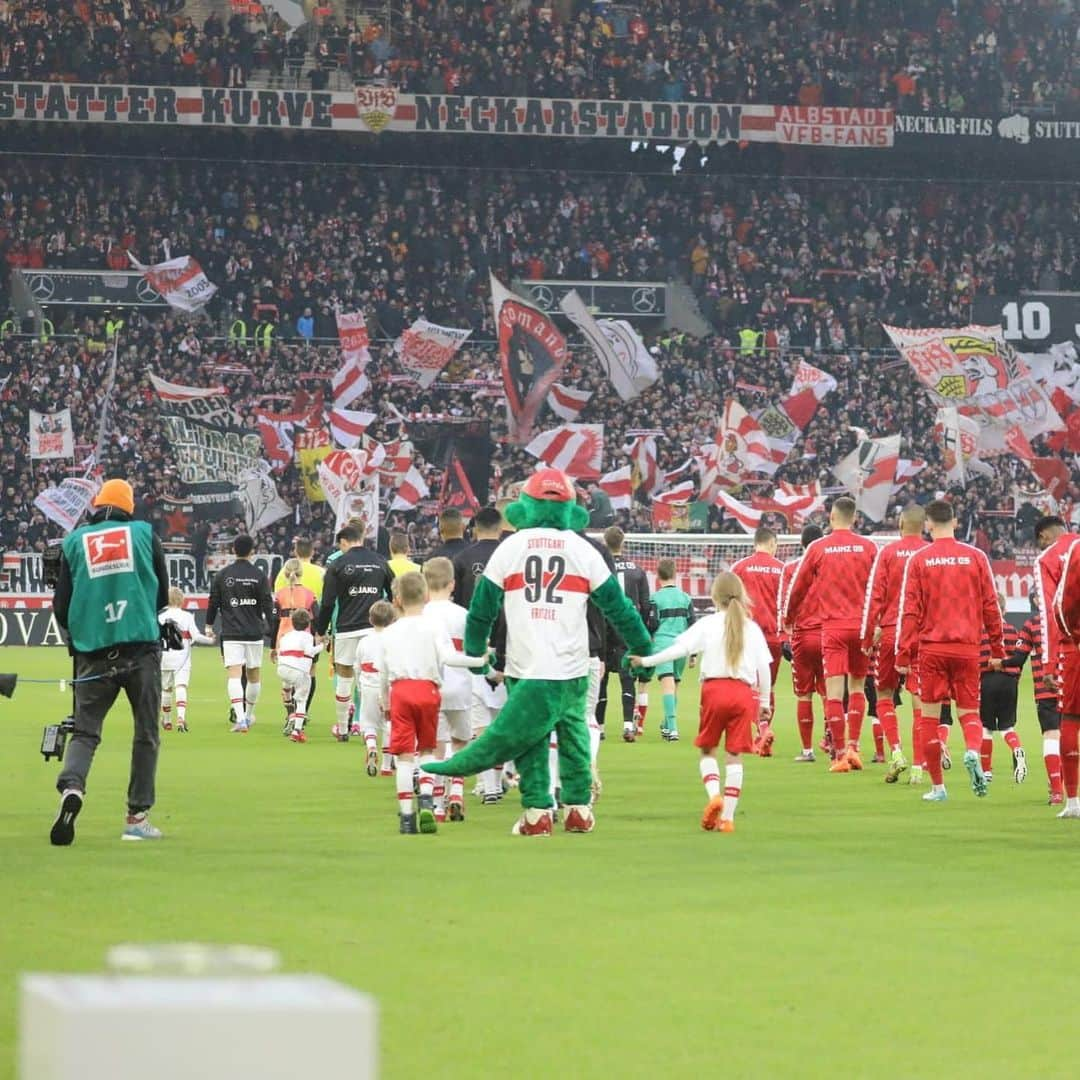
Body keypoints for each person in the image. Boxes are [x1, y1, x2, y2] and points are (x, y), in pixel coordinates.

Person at [424, 469, 652, 837]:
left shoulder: (510, 547)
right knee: (574, 729)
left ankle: (537, 810)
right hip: (573, 662)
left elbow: (483, 608)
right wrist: (640, 647)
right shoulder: (584, 549)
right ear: (570, 509)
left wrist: (477, 651)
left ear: (524, 506)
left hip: (525, 662)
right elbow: (620, 609)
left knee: (528, 737)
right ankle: (578, 806)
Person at [49, 478, 170, 845]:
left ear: (98, 504)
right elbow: (162, 594)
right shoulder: (144, 534)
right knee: (146, 734)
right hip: (140, 651)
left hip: (93, 654)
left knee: (85, 733)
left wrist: (82, 641)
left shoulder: (73, 542)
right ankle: (137, 816)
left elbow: (61, 606)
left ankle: (73, 787)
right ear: (128, 507)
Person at [630, 572, 771, 834]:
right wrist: (764, 702)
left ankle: (714, 796)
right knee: (735, 756)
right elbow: (765, 667)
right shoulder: (751, 627)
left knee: (708, 751)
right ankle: (728, 818)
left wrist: (646, 661)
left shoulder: (709, 624)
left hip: (714, 691)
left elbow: (678, 650)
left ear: (715, 596)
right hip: (742, 694)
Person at [896, 499, 1004, 802]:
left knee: (929, 718)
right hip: (968, 649)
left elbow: (911, 612)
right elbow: (990, 606)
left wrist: (904, 654)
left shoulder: (919, 560)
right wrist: (996, 647)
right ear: (955, 521)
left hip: (932, 649)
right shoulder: (976, 557)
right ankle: (971, 751)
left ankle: (938, 788)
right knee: (969, 713)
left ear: (928, 524)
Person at [377, 572, 483, 834]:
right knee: (427, 749)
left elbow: (382, 670)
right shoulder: (434, 627)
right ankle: (426, 797)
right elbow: (449, 658)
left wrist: (384, 700)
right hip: (428, 690)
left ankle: (405, 817)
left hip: (400, 691)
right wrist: (480, 661)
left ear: (397, 599)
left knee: (403, 755)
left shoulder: (390, 632)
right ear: (425, 596)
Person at [783, 496, 878, 772]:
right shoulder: (869, 547)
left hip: (833, 628)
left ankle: (838, 756)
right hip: (861, 628)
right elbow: (880, 589)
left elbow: (799, 587)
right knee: (858, 687)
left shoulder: (818, 547)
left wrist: (789, 617)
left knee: (834, 693)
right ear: (855, 518)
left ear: (831, 518)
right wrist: (878, 624)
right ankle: (854, 747)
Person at [859, 503, 928, 783]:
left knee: (884, 695)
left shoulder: (887, 553)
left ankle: (897, 752)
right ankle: (919, 767)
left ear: (901, 524)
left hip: (889, 633)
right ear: (924, 526)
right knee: (920, 702)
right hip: (922, 636)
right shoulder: (929, 553)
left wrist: (867, 636)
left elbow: (874, 596)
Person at [315, 522, 394, 741]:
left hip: (347, 628)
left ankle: (342, 729)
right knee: (373, 677)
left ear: (344, 542)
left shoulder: (338, 564)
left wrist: (320, 630)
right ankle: (371, 727)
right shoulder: (380, 562)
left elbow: (328, 602)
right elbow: (394, 593)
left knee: (345, 677)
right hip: (375, 630)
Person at [453, 506, 509, 803]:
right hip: (510, 648)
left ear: (473, 528)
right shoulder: (512, 555)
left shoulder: (461, 559)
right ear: (501, 527)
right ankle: (500, 778)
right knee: (503, 718)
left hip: (475, 647)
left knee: (480, 719)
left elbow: (459, 608)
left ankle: (489, 785)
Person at [206, 534, 274, 733]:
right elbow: (267, 605)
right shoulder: (259, 575)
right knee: (254, 675)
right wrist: (273, 631)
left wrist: (208, 625)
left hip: (232, 632)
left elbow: (213, 602)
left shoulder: (223, 574)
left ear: (233, 550)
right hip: (254, 632)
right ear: (252, 551)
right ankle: (249, 714)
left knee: (234, 675)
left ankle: (241, 719)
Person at [422, 556, 472, 822]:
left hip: (431, 687)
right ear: (453, 584)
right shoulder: (463, 615)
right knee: (461, 742)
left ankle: (436, 803)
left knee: (435, 746)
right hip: (461, 687)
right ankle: (457, 792)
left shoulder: (421, 616)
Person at [1032, 515, 1078, 802]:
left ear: (1043, 537)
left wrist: (1048, 663)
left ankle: (1072, 799)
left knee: (1070, 719)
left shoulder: (1048, 558)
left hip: (1072, 647)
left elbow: (1049, 614)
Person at [731, 526, 784, 755]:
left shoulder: (740, 567)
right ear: (772, 544)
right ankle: (764, 732)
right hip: (774, 636)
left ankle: (761, 730)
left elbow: (727, 600)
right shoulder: (782, 569)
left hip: (748, 635)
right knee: (767, 686)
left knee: (748, 685)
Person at [599, 526, 651, 742]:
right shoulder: (637, 570)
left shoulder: (599, 567)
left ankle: (599, 727)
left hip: (603, 625)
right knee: (627, 675)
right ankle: (628, 725)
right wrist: (645, 629)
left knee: (600, 676)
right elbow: (646, 605)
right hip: (626, 627)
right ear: (623, 542)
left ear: (604, 541)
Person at [779, 525, 824, 762]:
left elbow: (784, 604)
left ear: (801, 543)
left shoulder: (790, 569)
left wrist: (784, 636)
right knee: (831, 693)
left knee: (804, 694)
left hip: (802, 636)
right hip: (828, 636)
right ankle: (835, 746)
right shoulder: (830, 566)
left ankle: (807, 750)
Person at [1012, 602, 1065, 804]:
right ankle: (1069, 791)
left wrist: (1000, 664)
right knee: (1068, 736)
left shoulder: (1032, 624)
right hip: (1070, 687)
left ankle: (1056, 791)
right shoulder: (1071, 619)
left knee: (1051, 736)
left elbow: (1018, 658)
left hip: (1046, 692)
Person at [977, 597, 1026, 784]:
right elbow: (1019, 659)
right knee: (1007, 726)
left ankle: (987, 771)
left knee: (986, 728)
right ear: (1005, 611)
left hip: (988, 680)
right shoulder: (1014, 631)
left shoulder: (982, 632)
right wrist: (1015, 679)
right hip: (1009, 681)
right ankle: (1016, 749)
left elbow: (978, 661)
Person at [648, 557, 696, 742]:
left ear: (658, 576)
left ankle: (673, 728)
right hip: (682, 645)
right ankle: (667, 724)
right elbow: (692, 626)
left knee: (667, 684)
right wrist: (692, 653)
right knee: (675, 685)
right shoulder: (686, 598)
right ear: (675, 574)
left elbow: (652, 624)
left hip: (663, 645)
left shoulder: (655, 598)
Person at [158, 587, 215, 733]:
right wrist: (210, 640)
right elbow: (196, 637)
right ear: (181, 600)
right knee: (181, 686)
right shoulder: (187, 616)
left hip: (164, 656)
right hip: (181, 657)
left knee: (166, 688)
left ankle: (167, 720)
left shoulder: (160, 616)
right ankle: (181, 718)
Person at [1052, 538, 1080, 818]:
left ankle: (1073, 801)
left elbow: (1062, 605)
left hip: (1077, 651)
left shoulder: (1077, 549)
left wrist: (1074, 636)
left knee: (1071, 719)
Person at [357, 600, 397, 776]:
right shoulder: (394, 639)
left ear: (371, 619)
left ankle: (371, 746)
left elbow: (357, 665)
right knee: (389, 724)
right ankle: (387, 766)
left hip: (368, 685)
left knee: (369, 723)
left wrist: (359, 686)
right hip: (389, 685)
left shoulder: (365, 641)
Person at [275, 609, 323, 743]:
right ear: (308, 624)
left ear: (292, 622)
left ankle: (290, 712)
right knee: (302, 700)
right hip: (298, 671)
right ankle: (297, 730)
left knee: (287, 685)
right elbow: (309, 652)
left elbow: (280, 651)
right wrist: (321, 646)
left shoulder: (286, 636)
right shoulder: (308, 637)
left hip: (282, 668)